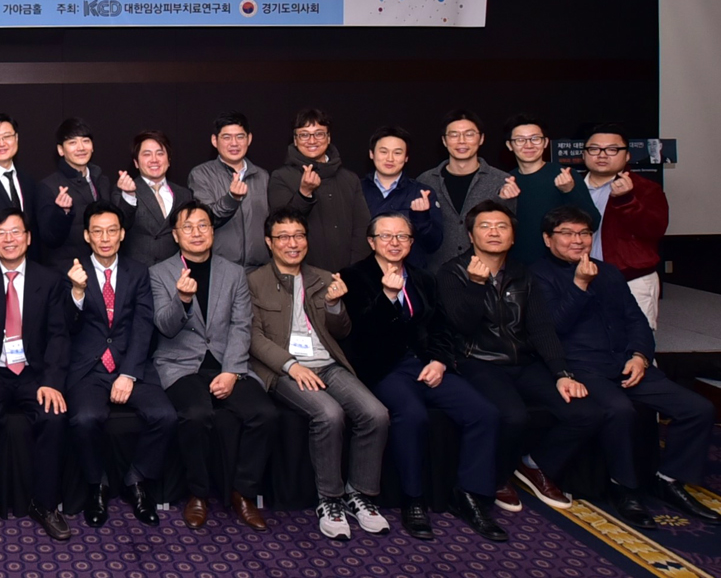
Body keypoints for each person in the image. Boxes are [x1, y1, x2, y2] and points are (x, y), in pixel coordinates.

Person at [532, 206, 720, 528]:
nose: (577, 240)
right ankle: (625, 488)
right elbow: (551, 329)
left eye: (584, 233)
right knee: (620, 410)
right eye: (567, 233)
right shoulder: (537, 275)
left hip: (625, 362)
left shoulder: (609, 272)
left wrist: (640, 356)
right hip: (580, 367)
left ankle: (669, 479)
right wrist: (579, 285)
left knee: (698, 409)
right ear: (548, 239)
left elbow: (636, 320)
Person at [339, 213, 505, 541]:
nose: (394, 243)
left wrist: (440, 361)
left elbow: (441, 327)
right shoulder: (353, 276)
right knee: (413, 415)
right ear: (371, 242)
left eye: (402, 236)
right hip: (382, 368)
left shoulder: (423, 278)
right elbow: (359, 336)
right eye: (386, 236)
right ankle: (413, 499)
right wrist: (388, 297)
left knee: (484, 413)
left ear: (412, 243)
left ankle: (469, 495)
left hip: (426, 364)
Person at [436, 201, 603, 513]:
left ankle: (534, 465)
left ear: (513, 237)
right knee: (513, 416)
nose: (494, 232)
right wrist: (476, 285)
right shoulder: (452, 272)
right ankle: (498, 476)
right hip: (477, 361)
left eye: (502, 227)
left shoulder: (522, 273)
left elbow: (541, 328)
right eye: (485, 226)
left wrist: (561, 374)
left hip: (523, 361)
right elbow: (461, 325)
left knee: (586, 412)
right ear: (471, 236)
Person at [248, 208, 390, 540]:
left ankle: (361, 495)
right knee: (329, 414)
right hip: (284, 369)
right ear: (269, 242)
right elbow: (252, 337)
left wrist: (336, 306)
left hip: (327, 363)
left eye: (298, 235)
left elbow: (342, 331)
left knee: (376, 414)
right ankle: (330, 499)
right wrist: (291, 365)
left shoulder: (325, 278)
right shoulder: (254, 281)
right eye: (283, 237)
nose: (292, 243)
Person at [150, 201, 278, 531]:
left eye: (203, 225)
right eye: (188, 227)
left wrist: (231, 371)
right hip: (180, 365)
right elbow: (164, 327)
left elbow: (241, 325)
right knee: (196, 415)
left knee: (264, 413)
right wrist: (182, 300)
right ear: (176, 235)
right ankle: (198, 494)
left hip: (225, 362)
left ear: (213, 231)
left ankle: (242, 492)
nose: (196, 233)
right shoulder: (159, 273)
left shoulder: (233, 273)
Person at [0, 208, 72, 542]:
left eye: (16, 232)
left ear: (28, 238)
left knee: (53, 416)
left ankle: (45, 505)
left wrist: (52, 382)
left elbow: (59, 335)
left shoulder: (49, 280)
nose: (9, 240)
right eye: (1, 234)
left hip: (34, 373)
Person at [64, 202, 174, 528]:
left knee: (165, 416)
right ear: (87, 235)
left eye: (112, 230)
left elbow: (143, 326)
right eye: (97, 231)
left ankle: (136, 479)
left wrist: (128, 373)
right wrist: (77, 292)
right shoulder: (72, 271)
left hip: (130, 363)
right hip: (89, 367)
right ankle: (96, 484)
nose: (105, 238)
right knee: (85, 418)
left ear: (122, 234)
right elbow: (64, 327)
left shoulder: (138, 272)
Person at [582, 124, 668, 328]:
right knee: (587, 339)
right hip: (582, 277)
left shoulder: (645, 189)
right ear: (584, 154)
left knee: (637, 338)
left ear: (627, 155)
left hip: (631, 278)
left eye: (612, 149)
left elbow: (654, 230)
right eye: (594, 149)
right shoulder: (571, 187)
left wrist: (627, 200)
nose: (602, 155)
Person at [266, 109, 371, 272]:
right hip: (302, 274)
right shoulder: (281, 177)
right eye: (304, 135)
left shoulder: (349, 178)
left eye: (319, 134)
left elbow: (362, 229)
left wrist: (353, 271)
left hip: (348, 274)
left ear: (328, 138)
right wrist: (304, 193)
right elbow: (281, 227)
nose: (312, 140)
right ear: (295, 140)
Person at [0, 113, 70, 265]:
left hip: (29, 269)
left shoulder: (28, 181)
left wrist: (61, 211)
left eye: (7, 136)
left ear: (16, 138)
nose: (1, 143)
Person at [416, 111, 518, 271]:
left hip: (487, 272)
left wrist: (507, 200)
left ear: (481, 139)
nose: (461, 141)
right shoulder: (426, 180)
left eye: (469, 134)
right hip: (436, 272)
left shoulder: (501, 180)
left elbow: (509, 228)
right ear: (444, 141)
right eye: (454, 135)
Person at [500, 114, 601, 263]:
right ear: (510, 145)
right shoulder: (506, 181)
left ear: (545, 142)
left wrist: (570, 191)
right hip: (517, 265)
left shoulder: (566, 175)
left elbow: (593, 221)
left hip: (560, 266)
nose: (529, 145)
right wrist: (503, 201)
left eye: (535, 139)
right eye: (520, 140)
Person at [188, 112, 269, 270]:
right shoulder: (201, 174)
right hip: (220, 268)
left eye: (240, 137)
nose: (234, 143)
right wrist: (232, 198)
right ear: (214, 140)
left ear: (249, 139)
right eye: (226, 137)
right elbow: (207, 219)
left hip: (259, 269)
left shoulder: (262, 176)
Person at [360, 127, 443, 269]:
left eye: (397, 153)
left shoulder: (421, 193)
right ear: (371, 154)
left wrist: (421, 218)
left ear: (406, 158)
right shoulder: (356, 189)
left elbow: (433, 245)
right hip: (364, 272)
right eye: (383, 152)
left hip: (409, 274)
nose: (390, 158)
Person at [37, 118, 113, 273]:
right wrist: (62, 213)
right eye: (72, 142)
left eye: (86, 141)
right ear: (61, 150)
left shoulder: (102, 180)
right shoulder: (48, 186)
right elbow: (49, 239)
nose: (81, 147)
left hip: (102, 268)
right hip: (67, 271)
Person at [115, 130, 193, 266]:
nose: (154, 159)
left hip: (175, 271)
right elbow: (120, 225)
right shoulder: (123, 191)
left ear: (169, 160)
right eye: (147, 154)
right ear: (136, 162)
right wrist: (129, 195)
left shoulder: (184, 194)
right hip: (138, 271)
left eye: (160, 153)